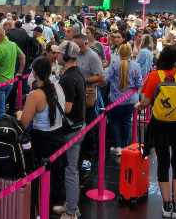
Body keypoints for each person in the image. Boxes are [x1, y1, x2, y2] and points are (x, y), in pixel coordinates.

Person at [136, 47, 176, 219]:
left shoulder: (155, 76)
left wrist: (140, 105)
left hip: (160, 126)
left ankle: (166, 205)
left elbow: (146, 101)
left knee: (163, 163)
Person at [16, 57, 67, 205]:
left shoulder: (35, 95)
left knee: (41, 176)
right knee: (56, 174)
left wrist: (19, 115)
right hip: (58, 135)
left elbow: (24, 123)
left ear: (35, 73)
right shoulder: (58, 87)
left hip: (41, 140)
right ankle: (53, 202)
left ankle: (41, 205)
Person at [53, 40, 86, 219]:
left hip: (72, 129)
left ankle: (72, 211)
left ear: (65, 56)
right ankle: (70, 205)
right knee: (71, 169)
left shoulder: (67, 78)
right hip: (79, 125)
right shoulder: (76, 73)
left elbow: (67, 108)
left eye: (59, 53)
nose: (56, 55)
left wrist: (53, 97)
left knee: (71, 170)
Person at [72, 33, 105, 171]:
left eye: (78, 46)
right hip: (76, 96)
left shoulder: (92, 56)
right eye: (75, 46)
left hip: (88, 97)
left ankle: (89, 157)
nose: (77, 48)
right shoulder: (75, 55)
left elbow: (100, 77)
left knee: (90, 127)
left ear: (86, 43)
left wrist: (83, 80)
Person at [106, 43, 142, 155]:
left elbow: (107, 78)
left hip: (115, 101)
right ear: (131, 53)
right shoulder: (136, 65)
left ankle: (118, 147)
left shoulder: (114, 64)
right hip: (131, 100)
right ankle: (126, 146)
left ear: (119, 52)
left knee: (115, 122)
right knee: (127, 122)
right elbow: (139, 83)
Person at [0, 27, 25, 121]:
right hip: (10, 82)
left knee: (0, 109)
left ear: (1, 36)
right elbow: (23, 57)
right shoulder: (13, 44)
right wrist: (19, 72)